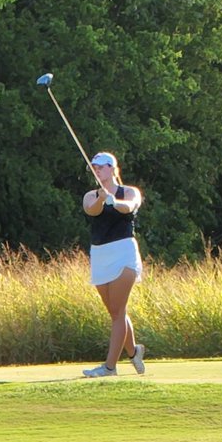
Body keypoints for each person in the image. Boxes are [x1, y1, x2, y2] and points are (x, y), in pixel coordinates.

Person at [81, 151, 146, 378]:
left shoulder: (129, 191)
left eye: (101, 167)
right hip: (100, 254)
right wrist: (102, 198)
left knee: (118, 311)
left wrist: (114, 201)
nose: (97, 170)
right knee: (115, 312)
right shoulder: (91, 195)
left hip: (123, 252)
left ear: (112, 168)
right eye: (94, 167)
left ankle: (109, 367)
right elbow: (92, 210)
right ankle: (134, 351)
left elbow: (130, 206)